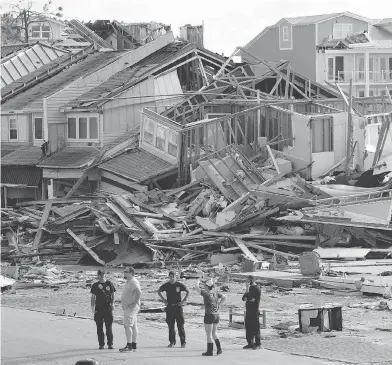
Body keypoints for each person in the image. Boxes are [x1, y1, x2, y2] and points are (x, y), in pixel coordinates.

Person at [158, 271, 190, 348]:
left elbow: (188, 291)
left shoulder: (179, 285)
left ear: (175, 277)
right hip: (169, 307)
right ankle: (172, 342)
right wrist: (164, 300)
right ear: (169, 277)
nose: (172, 278)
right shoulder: (166, 285)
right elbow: (158, 291)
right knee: (171, 326)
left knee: (180, 325)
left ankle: (183, 342)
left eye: (173, 276)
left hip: (178, 307)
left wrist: (183, 301)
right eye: (170, 276)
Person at [195, 278, 226, 356]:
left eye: (205, 285)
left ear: (207, 286)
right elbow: (224, 297)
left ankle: (210, 351)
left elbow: (196, 287)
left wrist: (198, 280)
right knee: (214, 333)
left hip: (209, 315)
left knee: (208, 334)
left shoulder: (206, 294)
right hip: (216, 315)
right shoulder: (215, 293)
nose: (204, 287)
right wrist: (219, 304)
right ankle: (219, 349)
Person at [90, 269, 116, 349]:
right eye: (99, 275)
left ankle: (110, 344)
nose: (101, 276)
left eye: (102, 274)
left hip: (108, 308)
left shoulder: (109, 283)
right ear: (97, 275)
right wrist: (92, 307)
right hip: (99, 308)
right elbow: (93, 297)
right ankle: (101, 344)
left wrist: (112, 304)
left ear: (105, 275)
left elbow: (113, 295)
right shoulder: (95, 285)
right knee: (99, 327)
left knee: (109, 327)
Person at [119, 266, 142, 353]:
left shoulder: (133, 281)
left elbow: (139, 292)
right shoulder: (129, 281)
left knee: (127, 325)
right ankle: (134, 345)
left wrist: (134, 303)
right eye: (124, 271)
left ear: (131, 273)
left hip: (131, 308)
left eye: (126, 271)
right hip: (130, 307)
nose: (124, 273)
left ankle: (129, 346)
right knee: (134, 326)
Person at [242, 275, 261, 350]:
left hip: (254, 311)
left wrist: (248, 298)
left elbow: (253, 299)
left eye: (247, 281)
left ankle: (258, 344)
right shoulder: (250, 288)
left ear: (251, 280)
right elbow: (243, 298)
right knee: (248, 327)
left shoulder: (257, 289)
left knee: (255, 328)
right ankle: (250, 343)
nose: (246, 282)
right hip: (248, 310)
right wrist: (246, 290)